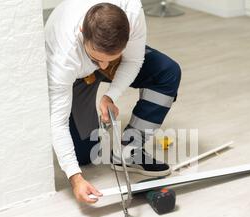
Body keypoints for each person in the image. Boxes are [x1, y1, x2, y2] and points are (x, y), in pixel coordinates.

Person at [45, 0, 182, 204]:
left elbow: (134, 60)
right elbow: (58, 122)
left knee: (167, 72)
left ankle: (129, 150)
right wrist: (76, 178)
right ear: (82, 31)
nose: (104, 66)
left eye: (111, 58)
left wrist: (111, 95)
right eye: (96, 59)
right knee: (84, 157)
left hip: (104, 53)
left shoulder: (132, 11)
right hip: (76, 76)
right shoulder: (63, 56)